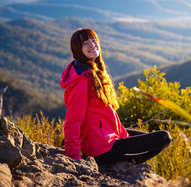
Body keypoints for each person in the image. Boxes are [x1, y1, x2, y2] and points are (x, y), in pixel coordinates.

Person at [60, 28, 171, 164]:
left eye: (94, 40)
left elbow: (106, 114)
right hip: (101, 149)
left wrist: (123, 136)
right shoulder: (83, 78)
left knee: (150, 138)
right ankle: (126, 164)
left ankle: (127, 162)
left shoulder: (94, 71)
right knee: (163, 138)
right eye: (85, 43)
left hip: (108, 137)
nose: (92, 45)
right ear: (78, 49)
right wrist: (73, 157)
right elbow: (73, 119)